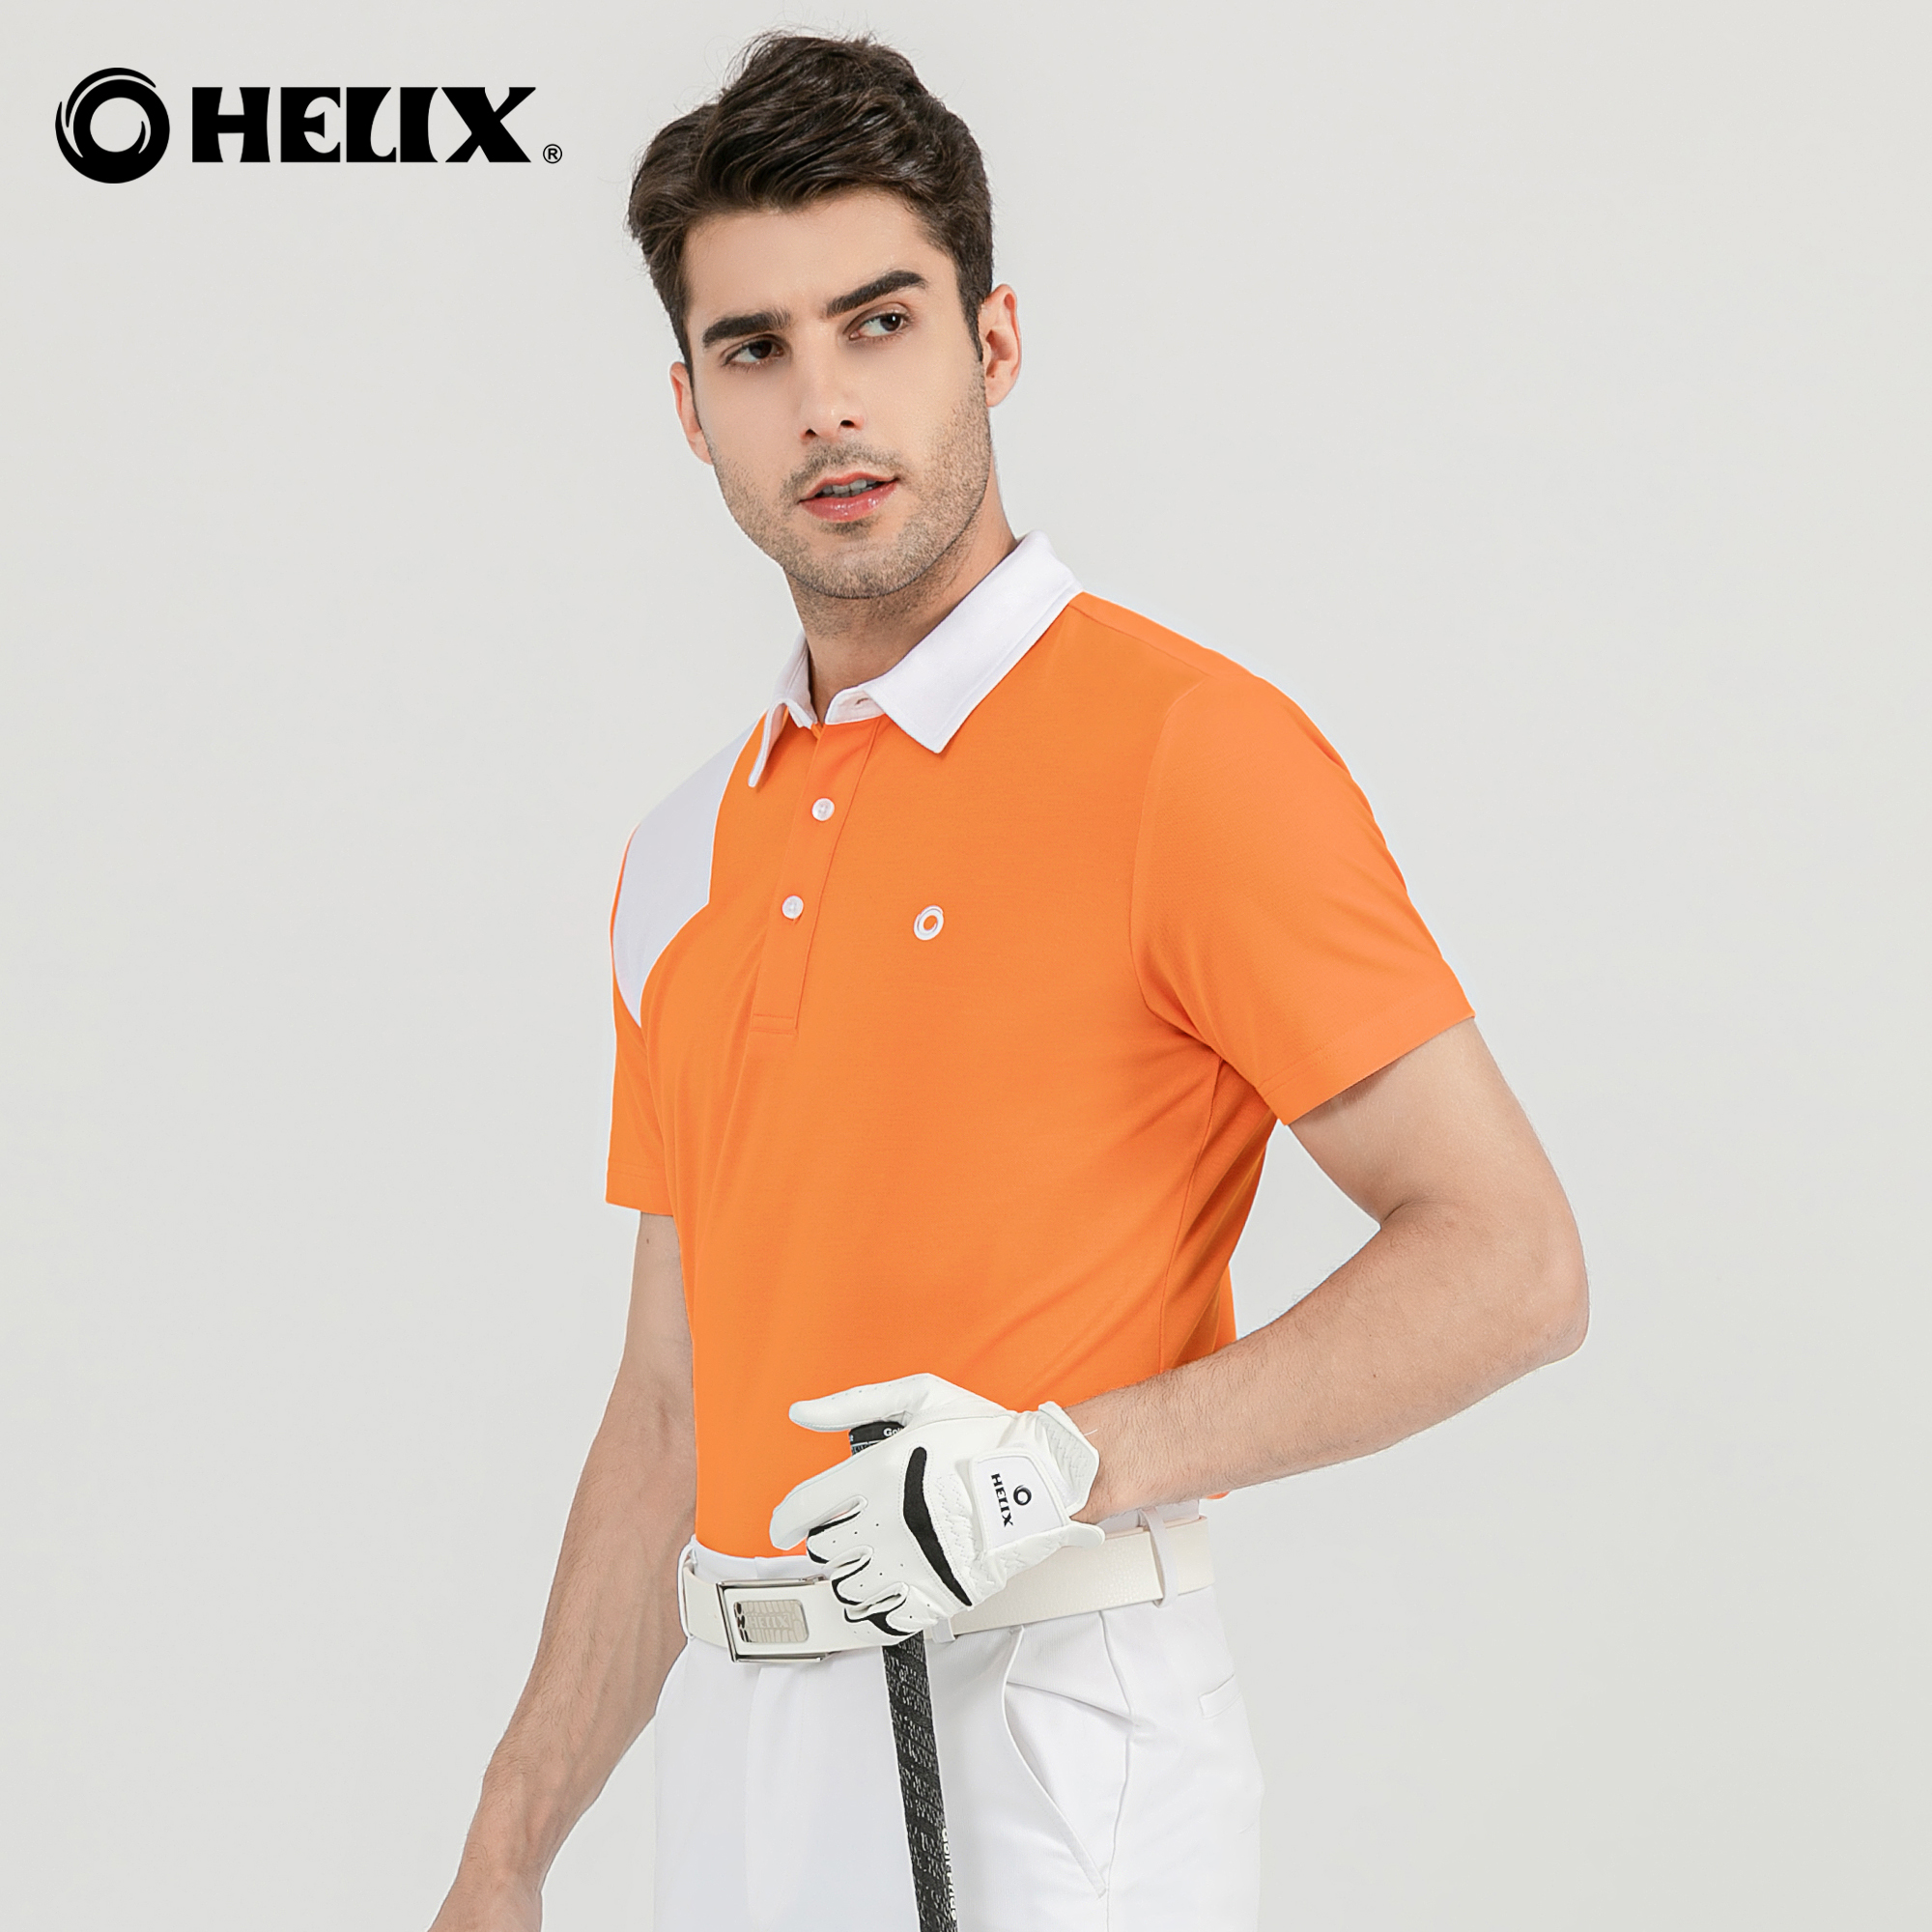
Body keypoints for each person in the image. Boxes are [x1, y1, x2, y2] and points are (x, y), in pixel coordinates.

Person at [427, 31, 1587, 1932]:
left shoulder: (1183, 753)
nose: (825, 403)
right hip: (737, 1745)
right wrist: (503, 1852)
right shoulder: (678, 854)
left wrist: (1063, 1464)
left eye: (879, 323)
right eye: (756, 349)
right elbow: (670, 1403)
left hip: (1046, 1732)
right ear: (691, 408)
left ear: (994, 340)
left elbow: (1511, 1259)